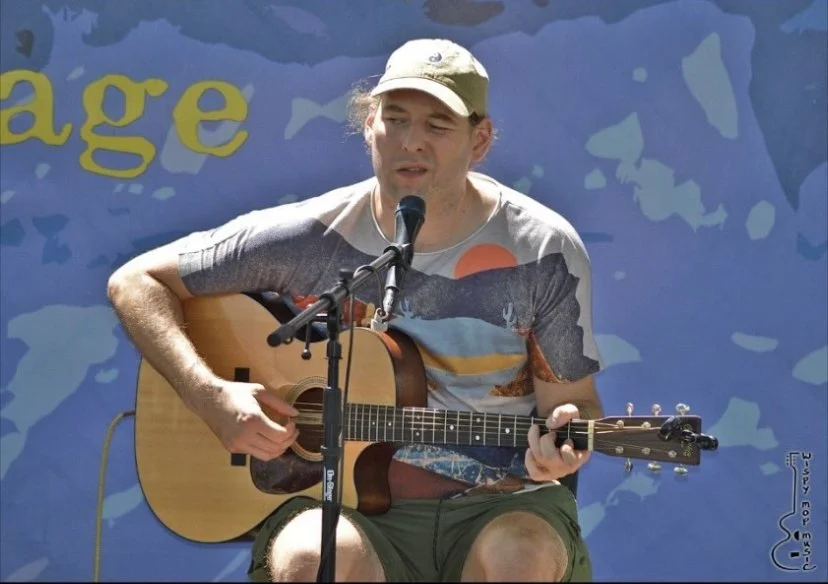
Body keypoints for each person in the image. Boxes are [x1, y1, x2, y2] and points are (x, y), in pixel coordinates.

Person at [107, 37, 604, 582]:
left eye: (438, 126)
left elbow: (574, 406)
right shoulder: (313, 235)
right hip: (342, 503)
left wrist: (564, 445)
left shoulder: (543, 249)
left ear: (479, 140)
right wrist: (210, 397)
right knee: (308, 561)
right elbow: (136, 282)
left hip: (503, 502)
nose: (412, 142)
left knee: (521, 561)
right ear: (369, 125)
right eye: (395, 119)